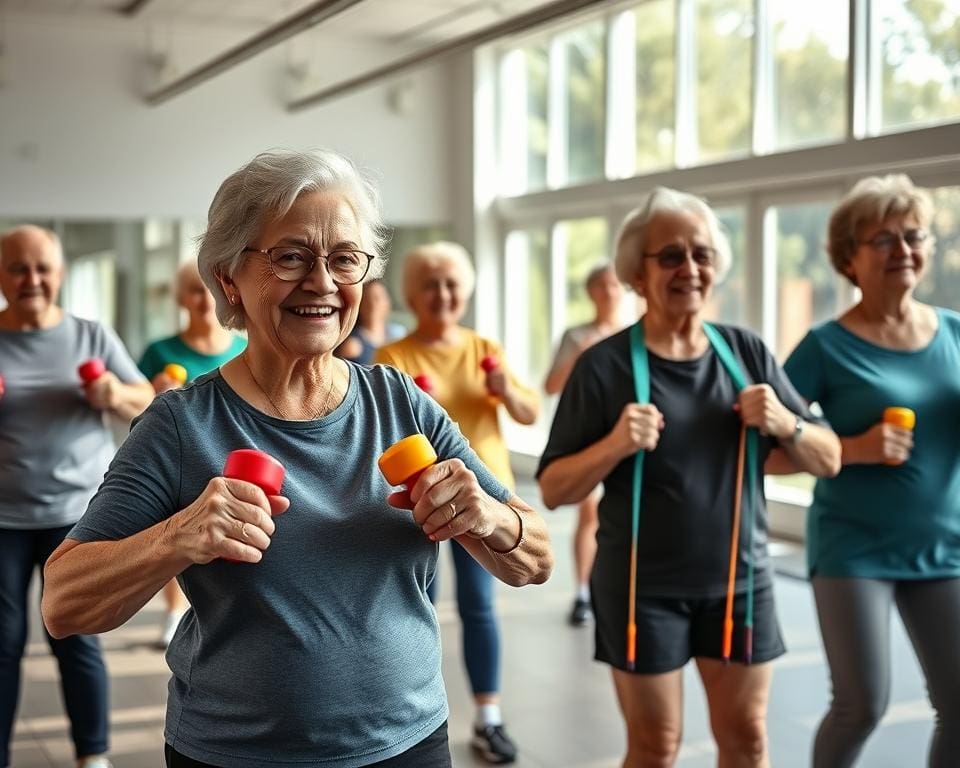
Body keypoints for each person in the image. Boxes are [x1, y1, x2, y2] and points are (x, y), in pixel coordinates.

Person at [40, 150, 553, 768]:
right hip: (236, 755)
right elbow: (63, 604)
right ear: (229, 278)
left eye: (345, 259)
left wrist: (490, 518)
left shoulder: (400, 402)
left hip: (410, 744)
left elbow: (534, 561)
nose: (322, 282)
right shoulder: (181, 425)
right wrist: (177, 537)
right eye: (289, 257)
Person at [536, 187, 841, 767]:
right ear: (637, 274)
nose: (690, 268)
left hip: (739, 582)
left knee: (747, 741)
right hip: (639, 589)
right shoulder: (604, 366)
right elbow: (554, 488)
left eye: (701, 254)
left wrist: (788, 424)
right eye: (671, 255)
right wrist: (614, 444)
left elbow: (829, 458)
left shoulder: (746, 352)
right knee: (656, 748)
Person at [782, 174, 960, 768]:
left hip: (944, 543)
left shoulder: (956, 332)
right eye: (883, 239)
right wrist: (852, 447)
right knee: (861, 705)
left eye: (914, 236)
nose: (903, 250)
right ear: (849, 258)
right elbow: (772, 452)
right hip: (853, 546)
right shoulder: (824, 346)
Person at [375, 241, 540, 765]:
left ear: (463, 292)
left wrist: (504, 390)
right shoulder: (394, 358)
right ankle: (414, 714)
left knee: (478, 606)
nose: (442, 295)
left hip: (483, 494)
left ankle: (488, 717)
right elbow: (381, 430)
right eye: (430, 285)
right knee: (413, 606)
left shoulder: (484, 347)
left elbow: (530, 411)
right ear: (412, 295)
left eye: (450, 285)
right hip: (417, 496)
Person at [0, 225, 154, 768]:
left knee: (77, 635)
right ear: (1, 275)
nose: (31, 279)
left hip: (77, 514)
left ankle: (93, 756)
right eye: (18, 267)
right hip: (5, 518)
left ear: (60, 274)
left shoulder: (92, 336)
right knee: (2, 643)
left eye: (42, 267)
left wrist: (113, 392)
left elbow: (146, 400)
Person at [138, 261, 247, 647]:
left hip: (241, 464)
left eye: (207, 289)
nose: (203, 299)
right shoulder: (159, 352)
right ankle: (175, 611)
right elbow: (141, 412)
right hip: (183, 461)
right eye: (194, 290)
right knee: (178, 536)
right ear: (182, 298)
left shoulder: (245, 348)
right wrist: (154, 391)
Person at [543, 261, 626, 627]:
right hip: (588, 433)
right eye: (601, 286)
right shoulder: (576, 336)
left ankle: (620, 585)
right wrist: (582, 357)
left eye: (614, 285)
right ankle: (582, 591)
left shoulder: (632, 334)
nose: (609, 292)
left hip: (625, 433)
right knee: (588, 511)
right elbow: (551, 385)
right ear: (591, 292)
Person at [336, 278, 405, 363]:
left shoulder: (398, 333)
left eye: (377, 298)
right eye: (368, 299)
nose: (372, 304)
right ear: (360, 306)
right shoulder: (352, 345)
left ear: (387, 303)